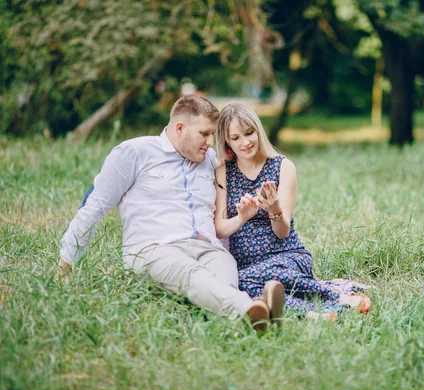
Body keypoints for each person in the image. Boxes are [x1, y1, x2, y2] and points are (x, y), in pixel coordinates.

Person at [57, 95, 284, 332]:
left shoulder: (208, 160)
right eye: (204, 134)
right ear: (179, 128)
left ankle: (246, 321)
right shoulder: (134, 152)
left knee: (224, 270)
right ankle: (250, 308)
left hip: (207, 249)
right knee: (190, 273)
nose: (211, 142)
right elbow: (95, 205)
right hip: (154, 249)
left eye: (212, 135)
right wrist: (66, 262)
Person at [213, 103, 369, 317]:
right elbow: (220, 228)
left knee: (244, 282)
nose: (245, 142)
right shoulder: (223, 170)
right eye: (236, 137)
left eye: (249, 133)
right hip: (247, 265)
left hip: (286, 255)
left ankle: (335, 297)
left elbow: (282, 232)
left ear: (258, 131)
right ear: (227, 141)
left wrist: (274, 209)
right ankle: (316, 315)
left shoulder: (283, 167)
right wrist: (242, 217)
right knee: (247, 284)